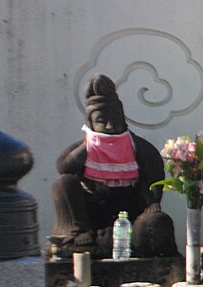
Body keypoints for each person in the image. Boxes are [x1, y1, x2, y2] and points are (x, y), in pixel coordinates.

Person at [50, 75, 177, 258]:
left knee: (157, 222)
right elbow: (63, 167)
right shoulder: (84, 149)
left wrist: (151, 203)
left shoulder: (138, 148)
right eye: (101, 120)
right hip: (92, 220)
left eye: (115, 118)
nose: (110, 126)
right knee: (63, 183)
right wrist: (90, 146)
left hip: (129, 218)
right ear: (90, 123)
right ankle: (78, 233)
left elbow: (154, 178)